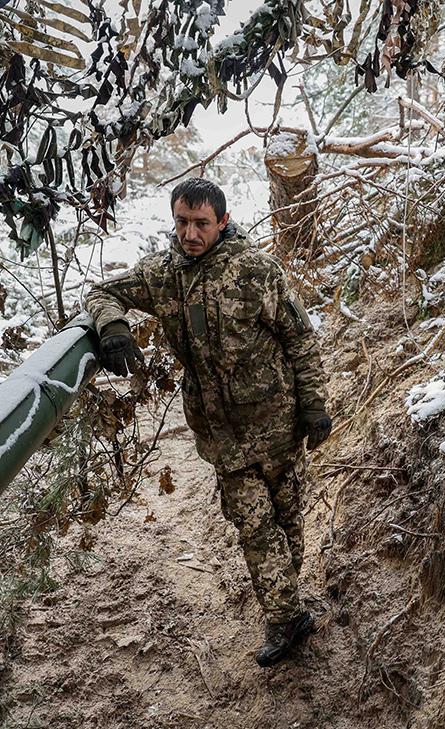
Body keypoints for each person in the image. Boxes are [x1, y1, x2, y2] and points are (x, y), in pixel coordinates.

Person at [83, 178, 332, 667]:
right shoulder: (163, 274)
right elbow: (101, 291)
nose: (190, 234)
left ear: (222, 220)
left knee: (287, 517)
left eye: (201, 223)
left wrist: (314, 405)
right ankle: (286, 618)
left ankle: (286, 597)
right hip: (221, 435)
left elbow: (300, 339)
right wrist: (114, 328)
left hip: (277, 423)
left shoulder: (257, 270)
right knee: (253, 526)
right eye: (182, 222)